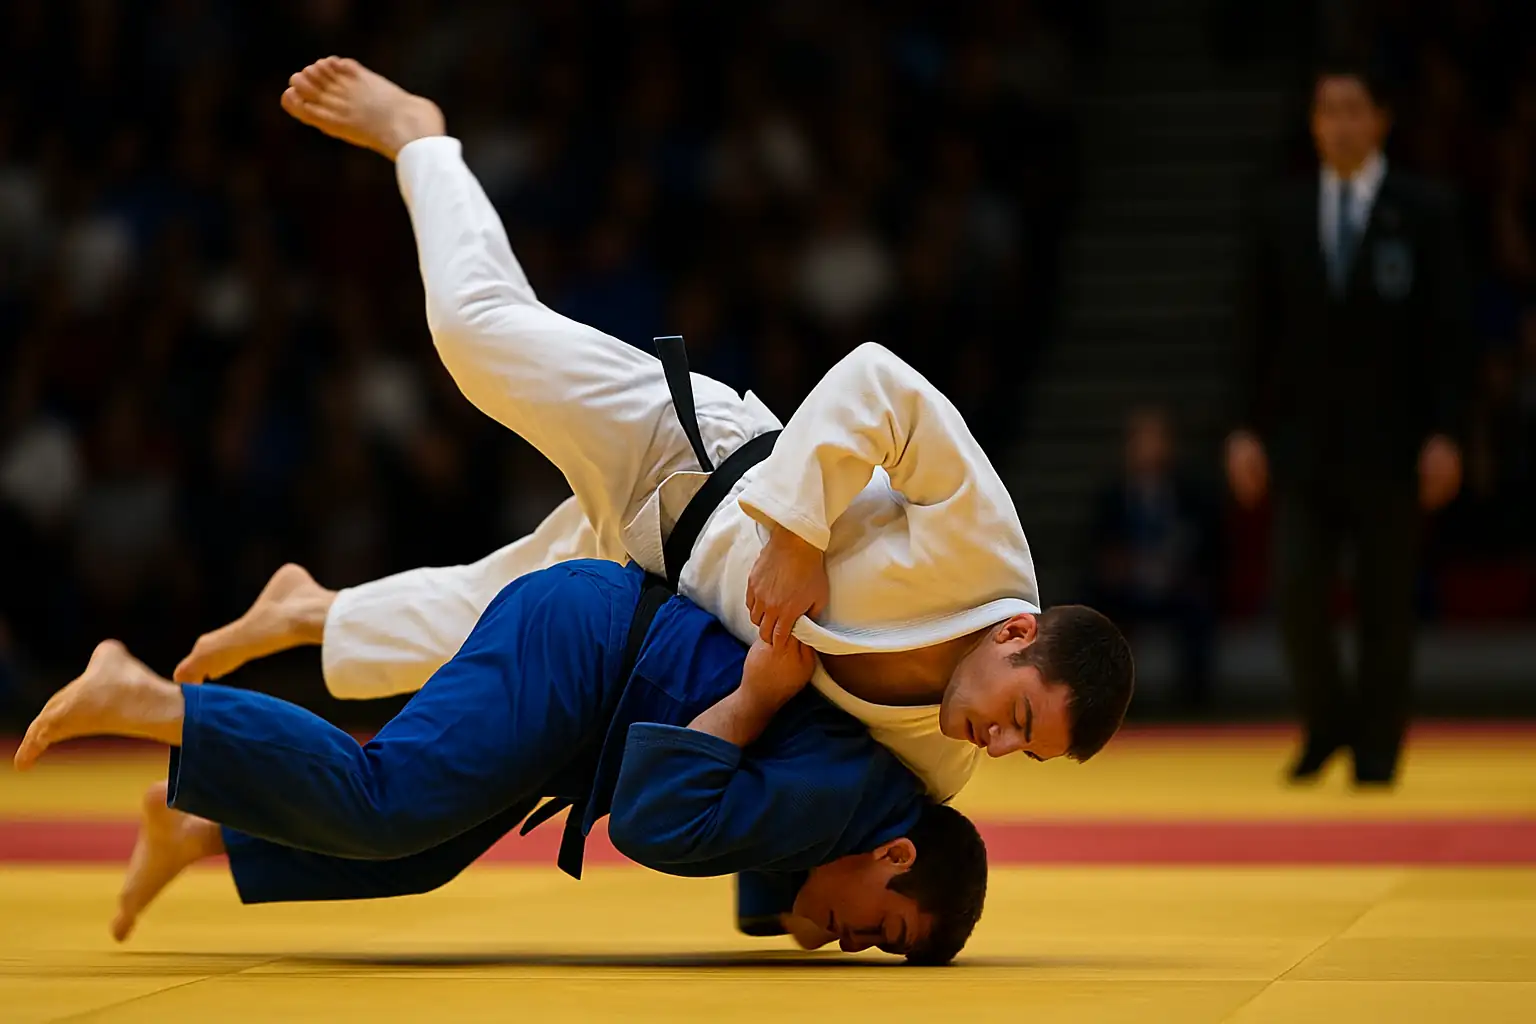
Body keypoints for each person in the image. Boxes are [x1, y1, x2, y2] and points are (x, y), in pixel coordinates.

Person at [170, 57, 1134, 802]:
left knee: (480, 623)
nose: (998, 747)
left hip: (654, 571)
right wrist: (798, 537)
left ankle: (308, 609)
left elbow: (848, 810)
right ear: (1018, 631)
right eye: (1017, 716)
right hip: (686, 454)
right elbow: (878, 382)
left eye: (1025, 749)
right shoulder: (984, 542)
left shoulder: (939, 763)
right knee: (474, 335)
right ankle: (424, 140)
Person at [14, 560, 986, 965]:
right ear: (894, 856)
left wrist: (800, 910)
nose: (856, 944)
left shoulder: (858, 807)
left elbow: (742, 834)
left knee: (417, 851)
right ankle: (155, 699)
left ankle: (199, 827)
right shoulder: (843, 807)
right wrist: (755, 702)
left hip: (591, 666)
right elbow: (653, 822)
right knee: (386, 800)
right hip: (584, 649)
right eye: (881, 931)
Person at [1228, 57, 1469, 784]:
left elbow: (1451, 332)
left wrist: (1449, 434)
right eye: (1327, 110)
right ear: (1312, 122)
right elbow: (1253, 334)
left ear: (1381, 119)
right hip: (1304, 444)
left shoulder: (1426, 210)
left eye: (1354, 109)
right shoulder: (1283, 211)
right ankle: (1327, 720)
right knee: (1297, 590)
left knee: (1384, 603)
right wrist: (1244, 429)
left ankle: (1377, 745)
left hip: (1395, 444)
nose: (1340, 123)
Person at [1088, 408, 1218, 710]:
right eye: (1142, 440)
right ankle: (1105, 700)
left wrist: (1181, 571)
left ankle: (1195, 702)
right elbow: (1098, 547)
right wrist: (1117, 566)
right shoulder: (1112, 495)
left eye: (1157, 439)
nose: (1150, 448)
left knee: (1199, 606)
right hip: (1128, 586)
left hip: (1175, 585)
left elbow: (1207, 546)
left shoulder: (1190, 493)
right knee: (1097, 605)